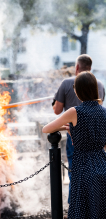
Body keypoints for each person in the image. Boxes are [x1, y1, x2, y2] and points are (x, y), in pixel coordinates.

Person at [43, 71, 106, 219]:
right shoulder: (104, 112)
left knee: (81, 211)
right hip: (102, 165)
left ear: (78, 91)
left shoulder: (75, 112)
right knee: (99, 211)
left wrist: (66, 128)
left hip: (83, 168)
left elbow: (46, 129)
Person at [52, 54, 105, 204]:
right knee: (96, 176)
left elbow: (57, 110)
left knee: (75, 173)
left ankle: (76, 203)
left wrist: (64, 126)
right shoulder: (99, 84)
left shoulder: (67, 83)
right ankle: (94, 206)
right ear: (90, 68)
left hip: (76, 136)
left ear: (76, 67)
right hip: (97, 138)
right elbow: (98, 112)